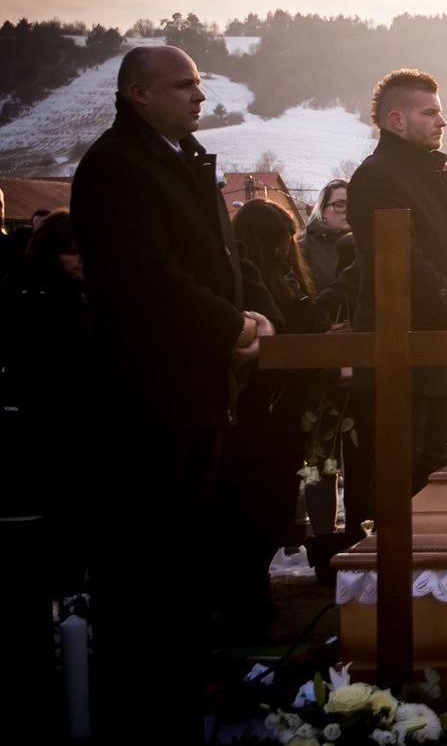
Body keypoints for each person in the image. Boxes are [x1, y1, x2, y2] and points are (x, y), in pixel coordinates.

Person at [71, 45, 271, 739]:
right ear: (137, 93)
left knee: (186, 567)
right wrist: (227, 324)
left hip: (195, 391)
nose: (200, 97)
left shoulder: (180, 160)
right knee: (145, 573)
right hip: (147, 399)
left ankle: (182, 702)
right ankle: (145, 717)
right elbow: (145, 277)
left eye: (200, 84)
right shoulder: (117, 168)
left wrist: (246, 314)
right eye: (183, 85)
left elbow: (216, 258)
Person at [347, 69, 447, 510]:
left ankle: (432, 577)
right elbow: (402, 259)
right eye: (430, 113)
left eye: (441, 113)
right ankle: (382, 577)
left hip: (442, 358)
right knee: (397, 480)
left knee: (438, 475)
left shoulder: (434, 176)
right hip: (402, 357)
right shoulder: (376, 177)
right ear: (396, 120)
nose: (442, 123)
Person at [215, 198, 330, 640]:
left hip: (287, 408)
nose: (289, 249)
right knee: (252, 504)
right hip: (256, 414)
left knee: (279, 500)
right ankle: (244, 597)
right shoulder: (249, 280)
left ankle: (253, 590)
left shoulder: (289, 277)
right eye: (280, 240)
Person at [0, 210, 91, 592]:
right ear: (53, 251)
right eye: (72, 252)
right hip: (46, 420)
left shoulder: (77, 291)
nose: (80, 260)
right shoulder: (33, 293)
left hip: (68, 418)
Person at [299, 177, 350, 290]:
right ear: (322, 211)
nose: (348, 211)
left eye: (352, 205)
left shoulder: (364, 243)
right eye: (340, 205)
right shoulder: (304, 248)